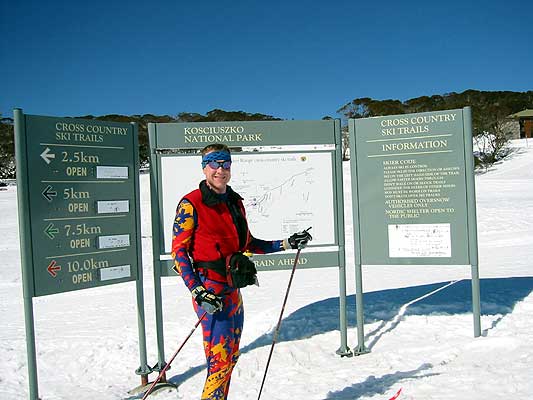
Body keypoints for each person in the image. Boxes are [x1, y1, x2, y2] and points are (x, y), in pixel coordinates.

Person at [171, 143, 312, 399]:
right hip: (209, 291)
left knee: (230, 358)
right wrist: (198, 291)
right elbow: (179, 253)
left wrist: (286, 243)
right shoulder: (191, 204)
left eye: (225, 163)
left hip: (232, 293)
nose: (220, 169)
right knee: (219, 362)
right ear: (204, 167)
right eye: (214, 163)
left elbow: (248, 243)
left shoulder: (235, 202)